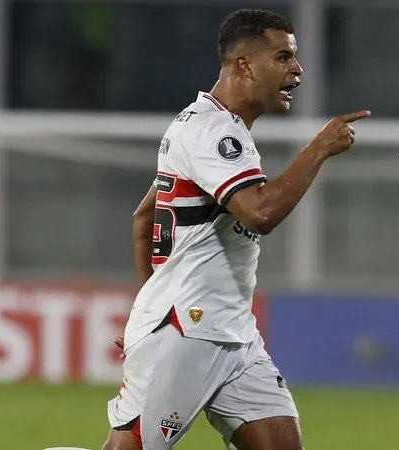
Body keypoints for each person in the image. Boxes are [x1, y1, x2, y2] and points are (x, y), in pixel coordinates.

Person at [102, 8, 370, 450]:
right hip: (188, 331)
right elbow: (259, 213)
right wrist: (319, 148)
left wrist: (146, 310)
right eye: (284, 57)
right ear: (245, 64)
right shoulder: (213, 133)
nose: (297, 70)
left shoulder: (209, 126)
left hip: (232, 335)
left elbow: (143, 220)